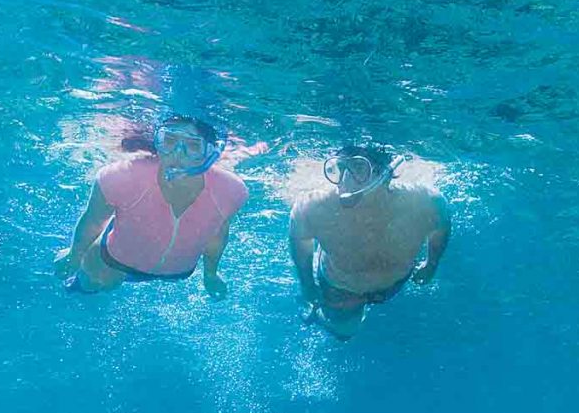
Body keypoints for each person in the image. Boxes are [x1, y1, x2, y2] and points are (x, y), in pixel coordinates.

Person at [57, 115, 248, 295]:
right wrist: (74, 256)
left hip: (177, 272)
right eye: (169, 141)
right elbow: (93, 220)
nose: (178, 155)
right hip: (114, 261)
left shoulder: (230, 190)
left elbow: (217, 235)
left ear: (209, 153)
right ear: (157, 143)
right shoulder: (122, 176)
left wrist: (210, 274)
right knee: (94, 286)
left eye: (192, 146)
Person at [288, 145, 450, 334]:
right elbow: (298, 238)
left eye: (359, 168)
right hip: (338, 286)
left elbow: (442, 225)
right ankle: (322, 318)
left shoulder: (425, 201)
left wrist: (432, 264)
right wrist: (307, 283)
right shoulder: (314, 206)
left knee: (347, 327)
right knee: (342, 328)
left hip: (391, 286)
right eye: (341, 169)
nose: (345, 182)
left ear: (385, 174)